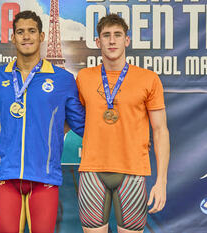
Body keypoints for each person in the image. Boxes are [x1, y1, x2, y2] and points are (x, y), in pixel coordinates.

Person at [0, 10, 85, 233]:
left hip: (44, 175)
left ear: (41, 36)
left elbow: (82, 124)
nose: (26, 36)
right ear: (13, 38)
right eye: (20, 32)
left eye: (31, 31)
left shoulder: (63, 79)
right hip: (6, 174)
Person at [76, 14, 170, 233]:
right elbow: (70, 120)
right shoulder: (83, 77)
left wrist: (162, 181)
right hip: (92, 170)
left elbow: (160, 131)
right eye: (106, 35)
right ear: (97, 42)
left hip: (133, 172)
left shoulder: (149, 79)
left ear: (126, 40)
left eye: (117, 35)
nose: (112, 41)